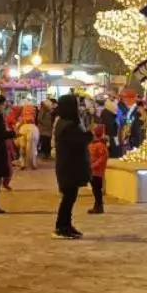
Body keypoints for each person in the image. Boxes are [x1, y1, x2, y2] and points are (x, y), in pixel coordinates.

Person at [54, 91, 90, 237]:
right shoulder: (68, 125)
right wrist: (89, 135)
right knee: (68, 198)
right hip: (69, 166)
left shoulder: (63, 122)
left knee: (70, 197)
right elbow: (76, 142)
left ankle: (66, 225)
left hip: (67, 165)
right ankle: (62, 227)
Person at [88, 122, 108, 214]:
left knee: (97, 189)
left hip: (97, 171)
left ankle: (99, 206)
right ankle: (97, 205)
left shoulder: (100, 145)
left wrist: (93, 165)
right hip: (93, 171)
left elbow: (102, 158)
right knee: (95, 189)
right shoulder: (95, 143)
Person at [16, 106, 40, 171]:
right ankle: (33, 163)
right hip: (33, 129)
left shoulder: (22, 116)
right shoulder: (34, 116)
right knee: (33, 147)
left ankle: (22, 163)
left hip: (23, 129)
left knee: (22, 147)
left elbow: (18, 125)